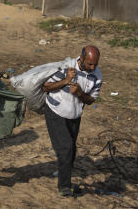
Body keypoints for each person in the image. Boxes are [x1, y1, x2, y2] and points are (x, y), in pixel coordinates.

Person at [41, 45, 102, 197]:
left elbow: (90, 100)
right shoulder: (65, 67)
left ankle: (65, 180)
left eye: (95, 64)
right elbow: (46, 87)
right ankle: (64, 186)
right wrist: (66, 81)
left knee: (71, 151)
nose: (92, 67)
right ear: (81, 59)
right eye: (89, 64)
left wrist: (80, 93)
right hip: (56, 112)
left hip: (74, 115)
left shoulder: (97, 75)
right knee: (66, 149)